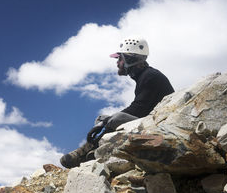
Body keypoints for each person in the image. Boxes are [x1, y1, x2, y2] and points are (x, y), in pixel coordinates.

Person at [60, 37, 174, 168]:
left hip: (161, 125)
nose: (117, 63)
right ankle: (94, 151)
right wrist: (106, 120)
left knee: (116, 118)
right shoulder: (146, 76)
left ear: (130, 59)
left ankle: (85, 152)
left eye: (120, 58)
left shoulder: (150, 76)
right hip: (155, 122)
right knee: (107, 118)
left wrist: (107, 121)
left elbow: (139, 109)